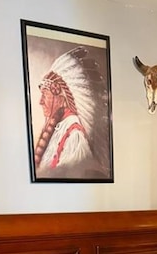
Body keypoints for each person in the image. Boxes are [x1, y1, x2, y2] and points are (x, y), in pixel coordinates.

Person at [34, 46, 110, 180]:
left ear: (60, 96)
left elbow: (71, 174)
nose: (41, 102)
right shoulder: (60, 129)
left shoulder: (74, 135)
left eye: (45, 95)